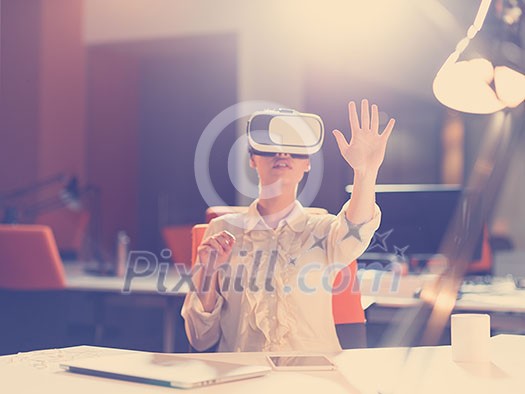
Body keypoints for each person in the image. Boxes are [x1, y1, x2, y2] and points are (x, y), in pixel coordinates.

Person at [182, 99, 395, 352]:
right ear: (253, 159)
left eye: (294, 149)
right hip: (241, 376)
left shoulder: (324, 230)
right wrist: (208, 272)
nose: (282, 154)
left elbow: (357, 227)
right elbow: (199, 338)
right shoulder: (221, 231)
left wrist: (365, 173)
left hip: (312, 377)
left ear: (307, 164)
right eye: (270, 147)